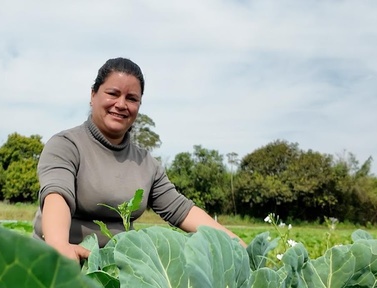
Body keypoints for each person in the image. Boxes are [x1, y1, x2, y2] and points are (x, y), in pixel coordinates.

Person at [33, 57, 244, 262]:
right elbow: (57, 195)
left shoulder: (145, 163)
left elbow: (181, 210)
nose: (121, 104)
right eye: (113, 93)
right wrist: (59, 245)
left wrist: (237, 244)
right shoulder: (66, 144)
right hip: (61, 262)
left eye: (132, 98)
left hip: (117, 270)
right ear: (93, 94)